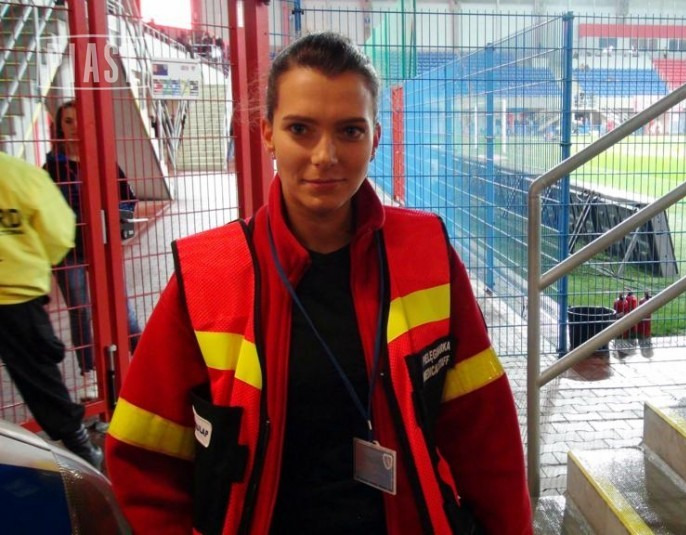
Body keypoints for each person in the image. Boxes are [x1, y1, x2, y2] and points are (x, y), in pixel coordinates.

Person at [106, 32, 532, 534]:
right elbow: (143, 453)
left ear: (375, 138)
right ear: (268, 133)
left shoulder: (428, 254)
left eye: (349, 130)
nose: (325, 155)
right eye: (301, 129)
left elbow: (484, 433)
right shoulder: (207, 275)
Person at [0, 151, 103, 470]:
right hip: (16, 293)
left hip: (16, 293)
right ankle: (80, 447)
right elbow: (59, 231)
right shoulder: (21, 175)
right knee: (40, 377)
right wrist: (35, 259)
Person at [44, 100, 142, 401]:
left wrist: (116, 223)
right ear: (60, 127)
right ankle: (90, 375)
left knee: (121, 308)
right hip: (68, 251)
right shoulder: (51, 168)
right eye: (68, 121)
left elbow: (128, 198)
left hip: (103, 248)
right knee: (80, 311)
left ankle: (142, 362)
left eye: (79, 120)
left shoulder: (103, 161)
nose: (75, 127)